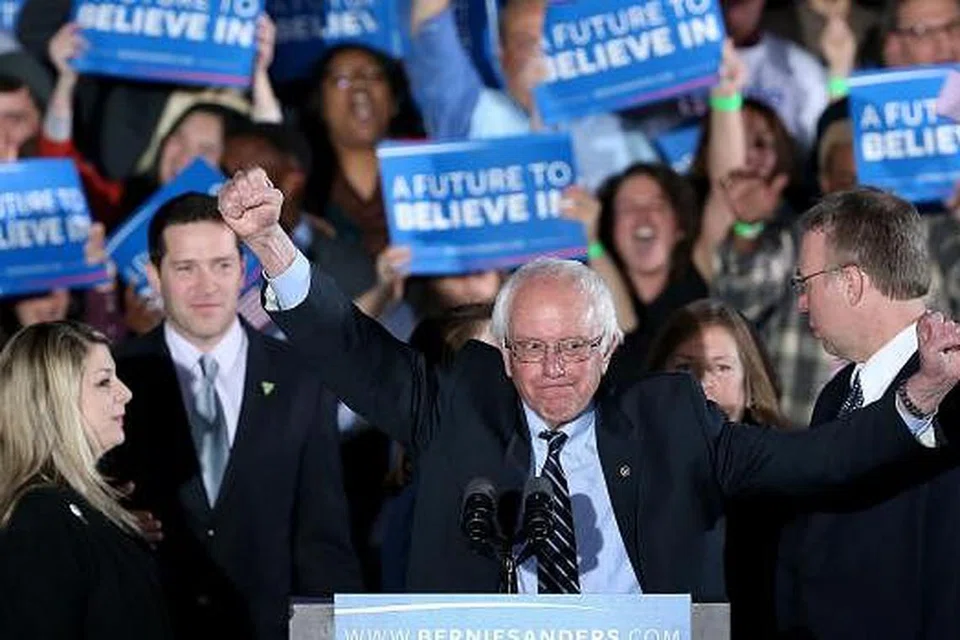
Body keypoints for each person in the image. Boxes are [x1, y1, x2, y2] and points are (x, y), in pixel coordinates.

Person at [218, 167, 960, 598]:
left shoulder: (673, 424)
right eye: (533, 349)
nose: (553, 369)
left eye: (574, 346)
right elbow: (354, 350)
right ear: (503, 354)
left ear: (609, 348)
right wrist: (269, 245)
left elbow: (816, 462)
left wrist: (920, 395)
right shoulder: (458, 410)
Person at [106, 193, 361, 640]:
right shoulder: (112, 380)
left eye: (222, 265)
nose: (207, 286)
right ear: (153, 275)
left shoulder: (301, 377)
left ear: (243, 271)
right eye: (186, 268)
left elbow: (323, 538)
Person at [774, 188, 960, 638]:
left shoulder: (952, 392)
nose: (801, 303)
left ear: (852, 282)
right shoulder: (837, 394)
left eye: (805, 283)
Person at [0, 321, 173, 639]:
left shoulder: (68, 512)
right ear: (53, 400)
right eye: (104, 382)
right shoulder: (40, 518)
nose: (126, 393)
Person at [647, 299, 789, 637]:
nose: (702, 384)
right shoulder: (629, 470)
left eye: (722, 368)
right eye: (685, 368)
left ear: (750, 382)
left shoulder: (784, 475)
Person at [406, 0, 657, 191]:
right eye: (526, 44)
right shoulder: (475, 114)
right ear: (502, 58)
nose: (541, 57)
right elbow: (431, 27)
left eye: (552, 41)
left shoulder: (618, 126)